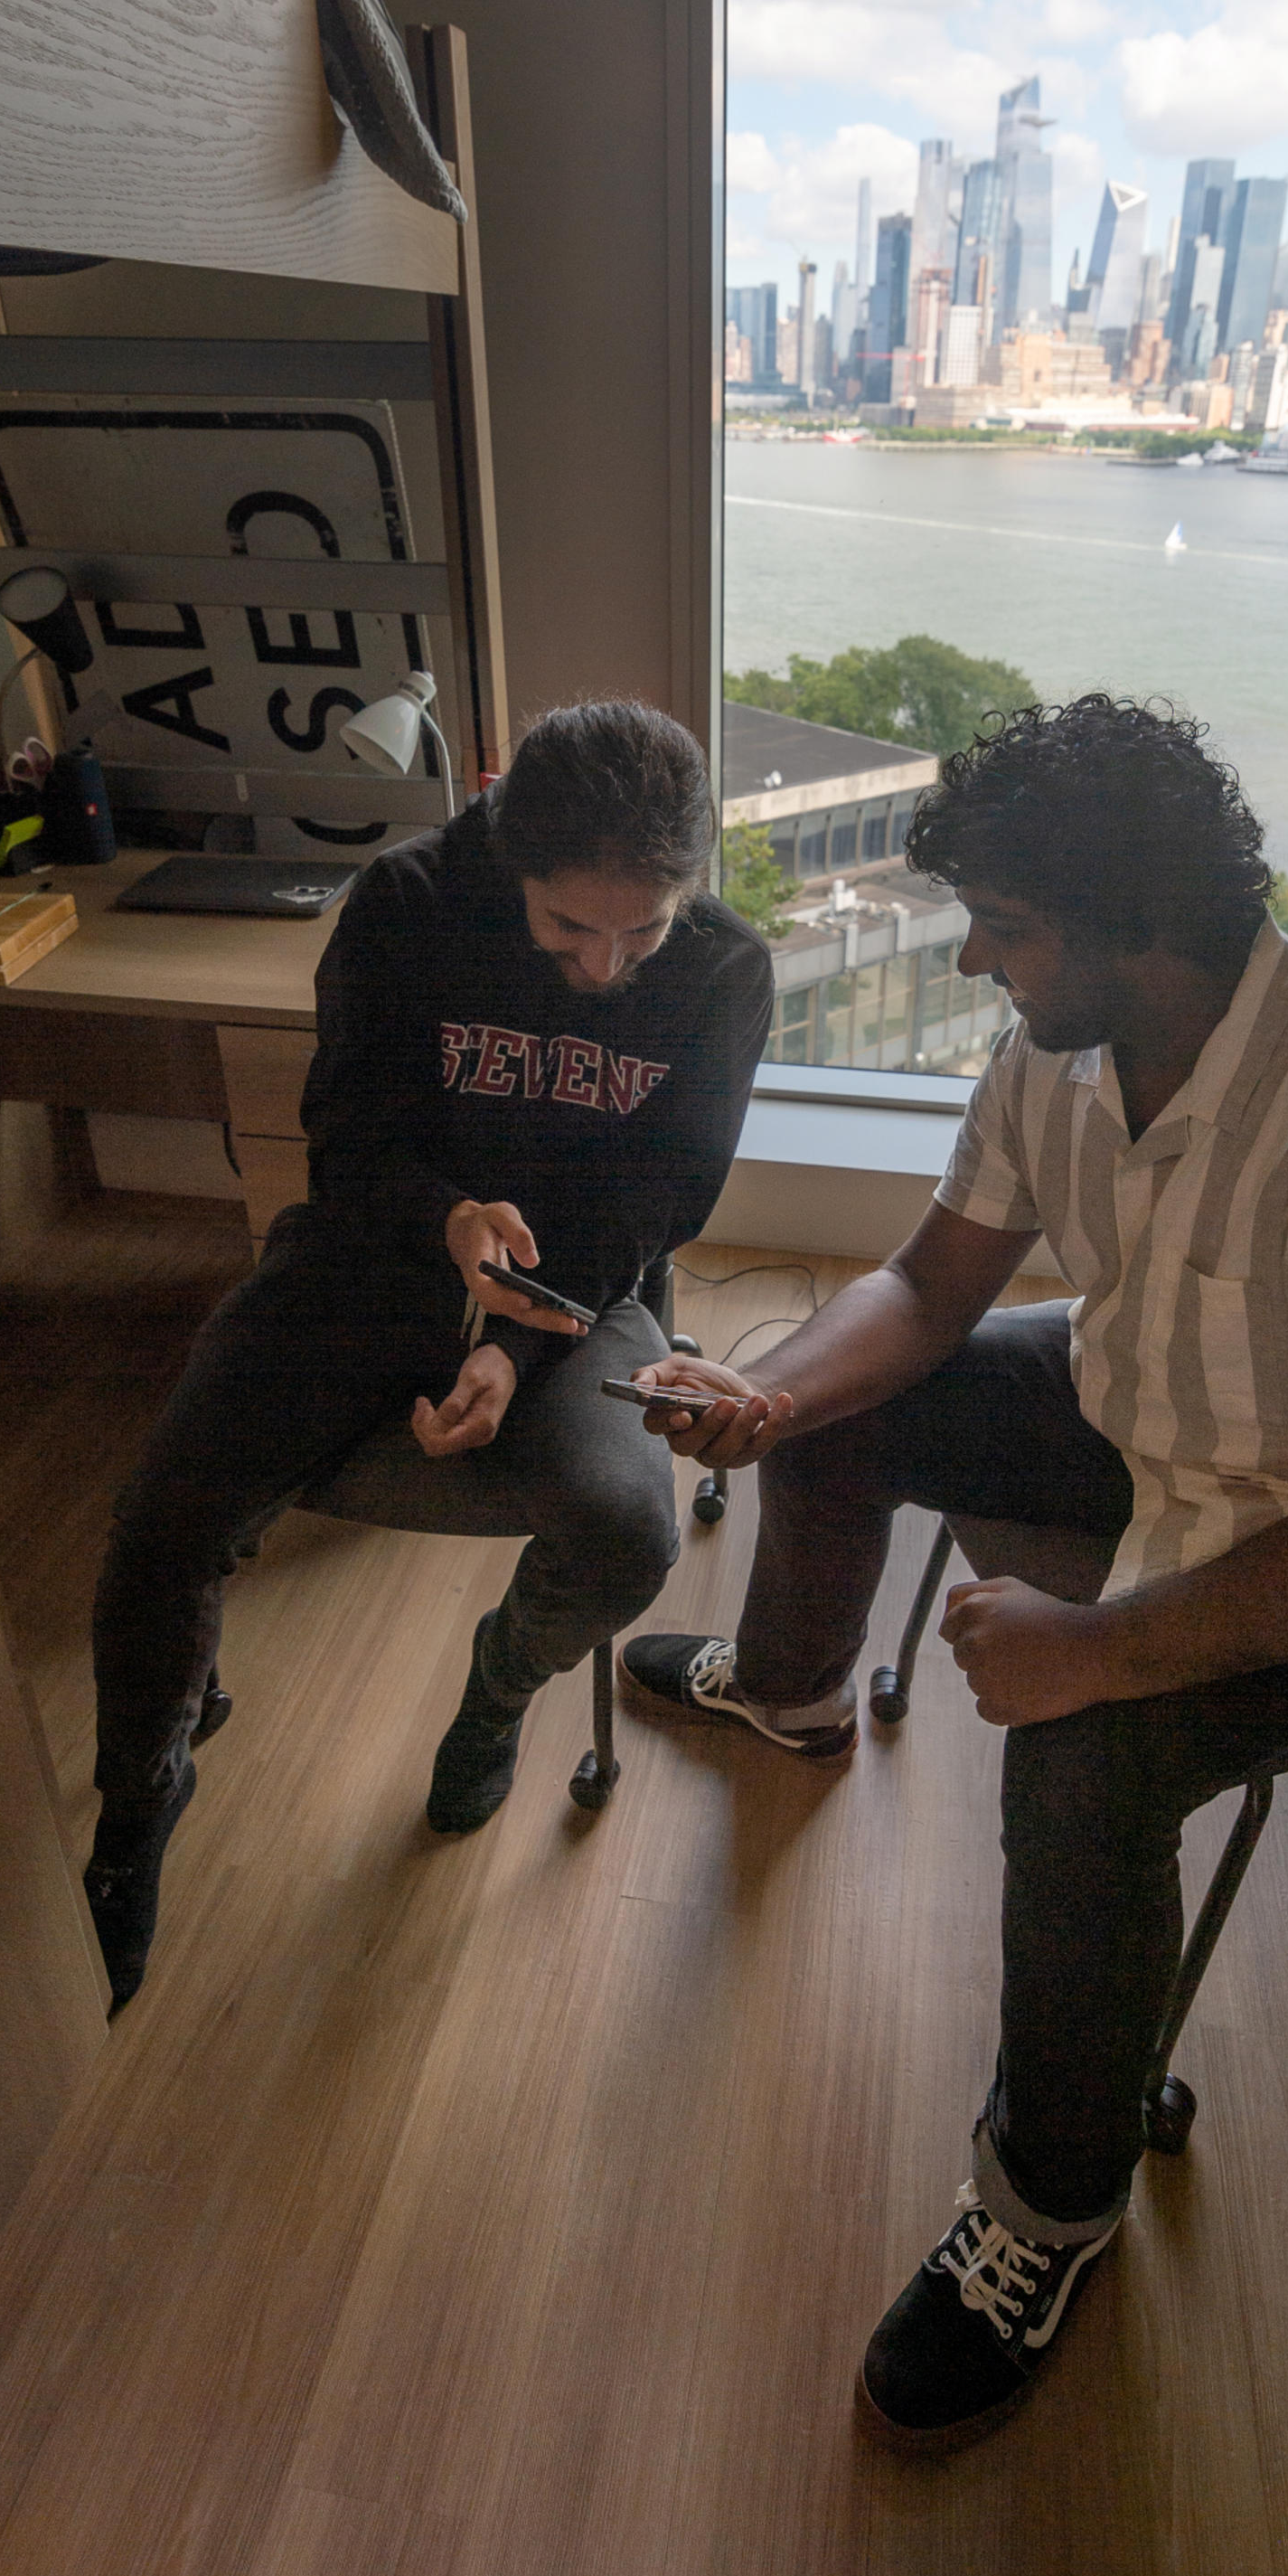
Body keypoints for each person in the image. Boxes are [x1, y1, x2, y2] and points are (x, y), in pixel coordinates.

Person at [618, 694, 1288, 2447]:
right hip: (1150, 1419)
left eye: (1008, 926)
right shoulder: (1062, 1044)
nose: (974, 959)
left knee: (1080, 1768)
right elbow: (934, 1283)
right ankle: (795, 1694)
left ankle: (1047, 2212)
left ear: (1141, 925)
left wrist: (1102, 1648)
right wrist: (769, 1393)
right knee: (837, 1403)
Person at [83, 700, 772, 2007]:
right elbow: (345, 1136)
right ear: (510, 861)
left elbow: (659, 1198)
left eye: (645, 928)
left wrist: (516, 1330)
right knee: (162, 1511)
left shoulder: (725, 971)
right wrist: (447, 1218)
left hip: (575, 1279)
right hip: (378, 1250)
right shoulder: (405, 905)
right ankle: (139, 1797)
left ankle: (501, 1687)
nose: (606, 966)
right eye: (571, 926)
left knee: (630, 1529)